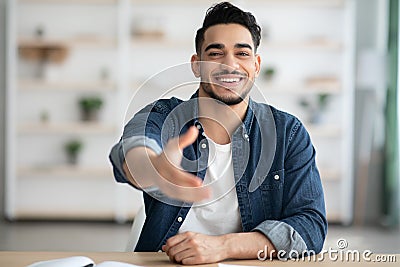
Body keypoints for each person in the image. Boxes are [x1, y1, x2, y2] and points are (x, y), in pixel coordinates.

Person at [109, 2, 327, 265]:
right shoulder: (163, 115)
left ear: (256, 65)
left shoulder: (288, 133)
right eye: (215, 53)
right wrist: (153, 168)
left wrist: (224, 246)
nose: (230, 64)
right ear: (197, 65)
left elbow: (311, 226)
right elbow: (133, 150)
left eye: (242, 53)